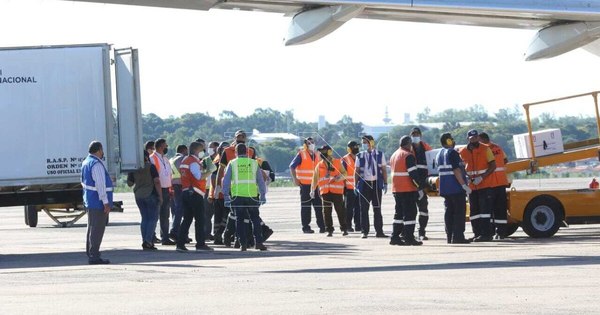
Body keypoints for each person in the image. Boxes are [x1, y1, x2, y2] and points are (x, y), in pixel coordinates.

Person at [222, 143, 268, 251]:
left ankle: (242, 244)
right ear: (247, 152)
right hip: (252, 195)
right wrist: (262, 194)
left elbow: (226, 181)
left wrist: (226, 196)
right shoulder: (253, 163)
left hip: (237, 196)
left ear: (236, 152)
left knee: (240, 220)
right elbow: (260, 180)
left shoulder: (232, 163)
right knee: (255, 220)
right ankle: (259, 243)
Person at [459, 129, 497, 242]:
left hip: (484, 185)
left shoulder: (486, 149)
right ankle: (477, 233)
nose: (474, 140)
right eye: (472, 138)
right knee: (474, 212)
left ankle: (486, 234)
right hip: (472, 186)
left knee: (485, 211)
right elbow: (461, 168)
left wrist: (482, 177)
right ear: (468, 139)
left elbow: (493, 166)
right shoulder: (462, 151)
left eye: (475, 138)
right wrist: (466, 178)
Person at [176, 141, 213, 252]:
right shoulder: (193, 162)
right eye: (202, 150)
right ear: (197, 150)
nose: (203, 153)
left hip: (186, 192)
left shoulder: (185, 160)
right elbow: (198, 177)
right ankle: (200, 244)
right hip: (195, 193)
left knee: (187, 219)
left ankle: (180, 244)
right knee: (200, 219)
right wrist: (210, 171)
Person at [436, 133, 471, 244]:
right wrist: (464, 185)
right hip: (455, 187)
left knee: (449, 212)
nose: (453, 140)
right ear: (448, 141)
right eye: (451, 139)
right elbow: (456, 170)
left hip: (445, 188)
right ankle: (458, 236)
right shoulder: (452, 152)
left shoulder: (439, 154)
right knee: (459, 212)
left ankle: (449, 236)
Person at [389, 136, 424, 246]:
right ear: (409, 144)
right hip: (407, 189)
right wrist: (420, 188)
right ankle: (409, 238)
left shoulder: (394, 154)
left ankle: (395, 237)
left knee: (398, 214)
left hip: (396, 189)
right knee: (410, 214)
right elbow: (413, 174)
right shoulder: (408, 155)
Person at [81, 141, 112, 264]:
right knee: (97, 229)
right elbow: (100, 185)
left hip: (90, 200)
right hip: (98, 201)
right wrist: (105, 202)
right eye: (102, 150)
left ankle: (91, 253)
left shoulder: (86, 162)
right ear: (99, 150)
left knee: (91, 228)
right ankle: (94, 255)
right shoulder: (96, 164)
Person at [311, 145, 348, 237]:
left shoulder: (337, 162)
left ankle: (344, 228)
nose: (321, 153)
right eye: (320, 152)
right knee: (326, 211)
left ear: (329, 152)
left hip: (337, 191)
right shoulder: (319, 165)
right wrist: (312, 189)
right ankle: (329, 230)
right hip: (325, 192)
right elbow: (315, 178)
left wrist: (337, 178)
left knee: (340, 210)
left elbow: (344, 173)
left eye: (323, 151)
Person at [127, 151, 162, 250]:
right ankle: (148, 241)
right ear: (146, 157)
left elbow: (129, 183)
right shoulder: (151, 167)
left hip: (139, 196)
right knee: (152, 219)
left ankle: (145, 240)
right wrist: (160, 196)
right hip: (150, 194)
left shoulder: (133, 169)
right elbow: (157, 181)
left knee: (144, 218)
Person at [289, 137, 325, 233]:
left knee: (319, 207)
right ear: (305, 144)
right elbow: (292, 167)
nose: (311, 144)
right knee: (306, 207)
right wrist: (295, 179)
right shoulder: (301, 154)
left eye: (313, 142)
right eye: (309, 143)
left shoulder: (317, 154)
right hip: (305, 185)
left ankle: (322, 226)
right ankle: (306, 227)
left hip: (316, 185)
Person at [356, 135, 388, 239]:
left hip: (375, 184)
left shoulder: (379, 154)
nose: (364, 144)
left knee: (377, 209)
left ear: (371, 143)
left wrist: (386, 183)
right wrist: (355, 185)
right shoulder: (360, 155)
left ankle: (379, 231)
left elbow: (383, 169)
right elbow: (356, 171)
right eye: (363, 142)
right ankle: (364, 231)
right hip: (364, 184)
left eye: (366, 142)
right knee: (364, 209)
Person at [479, 132, 510, 239]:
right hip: (501, 183)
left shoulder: (483, 150)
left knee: (489, 210)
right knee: (501, 209)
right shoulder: (498, 147)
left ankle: (490, 232)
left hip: (490, 183)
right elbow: (505, 160)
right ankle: (501, 233)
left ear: (482, 140)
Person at [150, 138, 176, 245]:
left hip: (166, 189)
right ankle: (151, 236)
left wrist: (170, 189)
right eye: (165, 146)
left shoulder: (165, 158)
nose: (166, 148)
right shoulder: (153, 158)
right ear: (161, 147)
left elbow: (169, 174)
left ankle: (165, 237)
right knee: (155, 215)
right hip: (157, 190)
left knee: (165, 215)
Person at [410, 127, 433, 241]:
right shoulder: (408, 148)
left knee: (423, 209)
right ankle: (408, 232)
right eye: (413, 134)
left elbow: (432, 162)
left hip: (423, 183)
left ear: (420, 135)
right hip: (411, 184)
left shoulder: (426, 147)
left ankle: (422, 231)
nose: (415, 136)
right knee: (411, 210)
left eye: (417, 134)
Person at [209, 141, 229, 245]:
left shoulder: (218, 162)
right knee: (223, 216)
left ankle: (218, 235)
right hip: (223, 194)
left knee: (219, 216)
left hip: (219, 194)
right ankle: (219, 234)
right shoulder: (220, 163)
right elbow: (213, 178)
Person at [168, 144, 188, 242]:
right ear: (184, 150)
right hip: (180, 186)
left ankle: (179, 233)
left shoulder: (171, 159)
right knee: (180, 210)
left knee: (175, 210)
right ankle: (175, 231)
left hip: (172, 186)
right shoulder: (182, 159)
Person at [342, 140, 360, 232]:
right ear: (349, 149)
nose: (356, 149)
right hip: (348, 188)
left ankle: (358, 225)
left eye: (357, 147)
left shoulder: (360, 157)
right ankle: (348, 225)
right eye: (354, 147)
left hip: (358, 188)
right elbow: (342, 174)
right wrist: (344, 188)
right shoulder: (345, 159)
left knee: (359, 208)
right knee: (348, 209)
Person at [204, 141, 220, 241]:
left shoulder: (221, 160)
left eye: (211, 147)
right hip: (207, 189)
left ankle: (217, 234)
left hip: (218, 190)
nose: (209, 149)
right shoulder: (206, 160)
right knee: (207, 214)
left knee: (218, 214)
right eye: (208, 147)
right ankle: (207, 233)